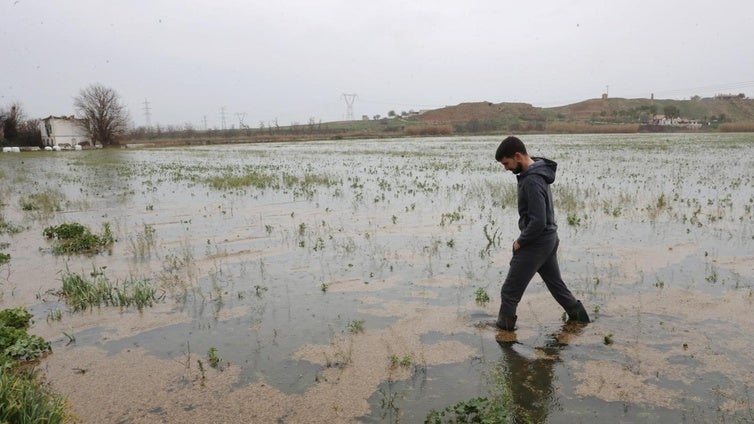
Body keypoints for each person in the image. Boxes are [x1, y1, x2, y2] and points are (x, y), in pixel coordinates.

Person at [494, 136, 590, 331]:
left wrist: (520, 241)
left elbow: (538, 221)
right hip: (549, 239)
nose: (506, 168)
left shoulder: (532, 180)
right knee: (557, 286)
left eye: (506, 163)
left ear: (518, 156)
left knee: (510, 292)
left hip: (537, 242)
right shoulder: (538, 170)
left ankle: (504, 339)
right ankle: (582, 322)